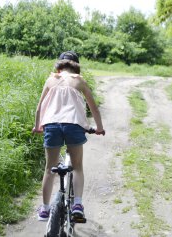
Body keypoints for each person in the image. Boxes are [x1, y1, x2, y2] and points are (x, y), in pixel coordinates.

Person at [32, 51, 105, 221]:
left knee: (50, 168)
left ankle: (44, 209)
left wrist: (37, 127)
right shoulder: (79, 81)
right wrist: (99, 128)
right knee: (77, 166)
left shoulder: (50, 80)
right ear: (76, 69)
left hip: (51, 125)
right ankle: (77, 205)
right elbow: (93, 108)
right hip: (73, 125)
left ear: (59, 68)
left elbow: (39, 108)